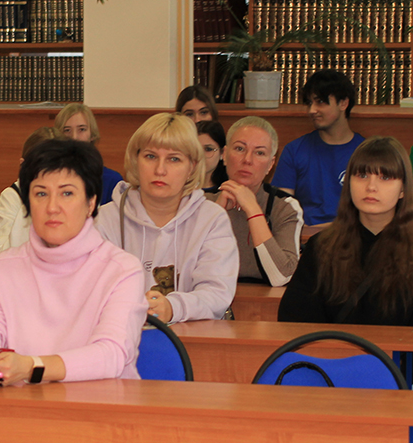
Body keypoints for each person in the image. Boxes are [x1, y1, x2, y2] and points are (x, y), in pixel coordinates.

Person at [0, 139, 148, 386]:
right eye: (41, 193)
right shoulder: (2, 268)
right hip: (19, 403)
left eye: (67, 193)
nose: (52, 207)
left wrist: (31, 367)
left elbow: (111, 355)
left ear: (91, 203)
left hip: (99, 406)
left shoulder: (122, 270)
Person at [278, 136, 413, 391]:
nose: (371, 187)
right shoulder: (321, 247)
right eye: (362, 175)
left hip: (409, 376)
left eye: (385, 177)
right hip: (332, 372)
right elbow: (294, 320)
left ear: (403, 189)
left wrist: (376, 379)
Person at [95, 112, 238, 323]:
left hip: (190, 337)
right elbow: (90, 290)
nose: (160, 170)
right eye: (150, 156)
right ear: (135, 160)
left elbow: (216, 293)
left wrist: (173, 308)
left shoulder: (212, 220)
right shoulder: (105, 220)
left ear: (191, 167)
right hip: (118, 334)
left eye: (174, 159)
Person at [208, 117, 302, 286]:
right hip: (206, 299)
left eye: (259, 153)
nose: (247, 159)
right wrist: (215, 213)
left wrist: (253, 209)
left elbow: (282, 276)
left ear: (270, 164)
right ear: (224, 155)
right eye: (240, 148)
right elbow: (181, 269)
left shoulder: (285, 207)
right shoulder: (201, 202)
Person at [272, 69, 364, 226]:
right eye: (309, 103)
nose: (312, 110)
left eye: (320, 102)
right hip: (303, 236)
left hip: (352, 236)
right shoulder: (294, 151)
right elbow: (281, 213)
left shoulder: (366, 153)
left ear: (343, 103)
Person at [0, 126, 59, 255]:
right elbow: (0, 254)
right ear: (23, 166)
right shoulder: (13, 196)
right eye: (41, 166)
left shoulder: (71, 195)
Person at [55, 102, 122, 205]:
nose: (74, 137)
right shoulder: (51, 178)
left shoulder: (111, 180)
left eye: (82, 129)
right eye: (67, 130)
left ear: (92, 135)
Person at [196, 119, 228, 188]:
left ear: (222, 153)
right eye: (196, 149)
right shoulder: (179, 187)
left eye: (208, 149)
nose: (200, 155)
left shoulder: (228, 189)